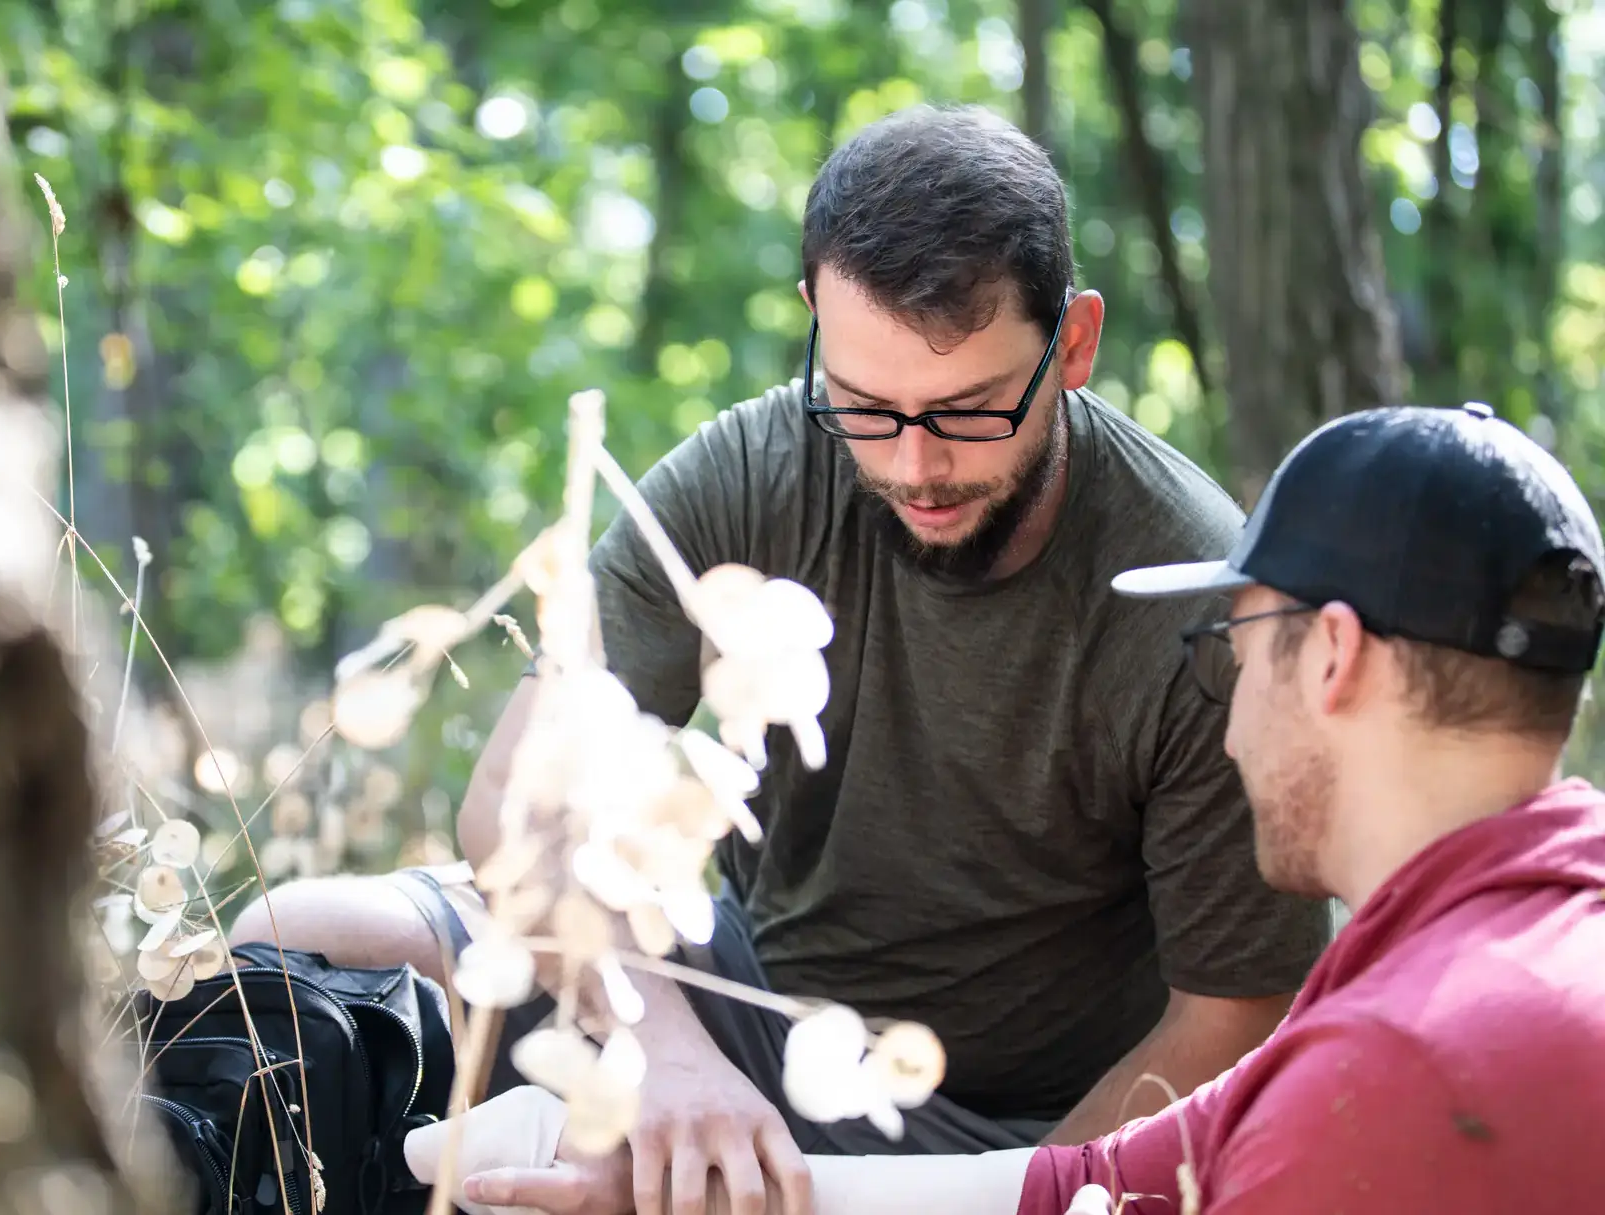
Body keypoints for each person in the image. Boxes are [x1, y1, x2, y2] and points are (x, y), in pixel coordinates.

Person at [229, 103, 1328, 1209]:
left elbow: (1232, 1015)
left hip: (1002, 1128)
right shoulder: (754, 472)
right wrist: (670, 1052)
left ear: (1074, 345)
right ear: (815, 317)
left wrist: (1019, 1193)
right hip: (739, 1008)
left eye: (969, 412)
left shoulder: (1184, 581)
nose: (914, 465)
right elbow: (519, 801)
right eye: (864, 406)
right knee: (305, 946)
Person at [416, 400, 1605, 1214]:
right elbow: (1075, 1187)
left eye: (1230, 646)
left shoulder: (1407, 1061)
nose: (1229, 718)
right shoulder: (1498, 949)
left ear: (1331, 656)